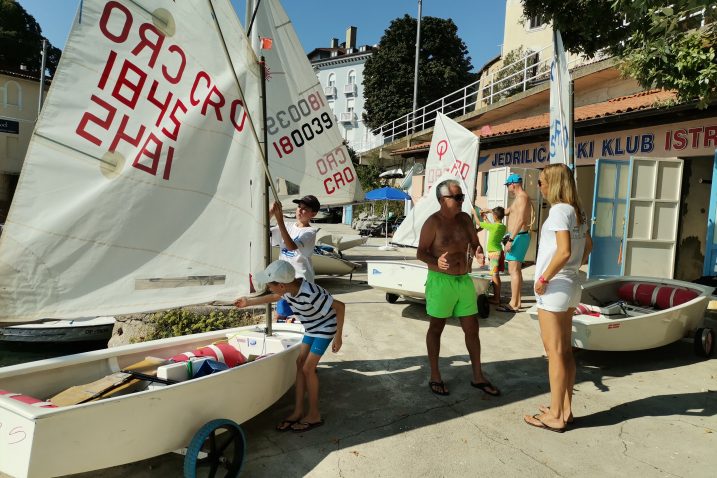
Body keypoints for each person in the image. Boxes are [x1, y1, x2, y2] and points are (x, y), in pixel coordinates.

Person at [234, 260, 345, 432]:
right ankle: (298, 411)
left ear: (281, 285)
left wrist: (338, 337)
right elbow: (274, 296)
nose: (269, 287)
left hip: (325, 327)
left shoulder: (310, 293)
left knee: (308, 369)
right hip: (311, 327)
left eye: (270, 285)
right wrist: (248, 302)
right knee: (300, 364)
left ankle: (314, 414)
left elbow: (340, 306)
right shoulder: (287, 290)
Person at [523, 164, 592, 433]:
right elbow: (588, 246)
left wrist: (543, 279)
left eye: (541, 182)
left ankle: (555, 415)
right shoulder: (578, 211)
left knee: (554, 353)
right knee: (564, 350)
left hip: (555, 288)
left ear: (553, 183)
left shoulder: (559, 211)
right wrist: (575, 266)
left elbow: (563, 251)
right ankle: (565, 409)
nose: (539, 187)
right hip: (571, 284)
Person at [417, 179, 499, 397]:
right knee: (436, 328)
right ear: (443, 200)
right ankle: (435, 375)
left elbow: (475, 243)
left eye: (462, 196)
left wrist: (479, 252)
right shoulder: (432, 223)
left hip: (463, 280)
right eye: (458, 197)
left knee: (472, 328)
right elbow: (421, 252)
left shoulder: (464, 219)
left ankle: (478, 376)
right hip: (441, 281)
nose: (463, 200)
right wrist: (436, 264)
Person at [270, 194, 320, 321]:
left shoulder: (310, 232)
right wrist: (271, 212)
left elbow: (291, 246)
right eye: (299, 207)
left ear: (313, 214)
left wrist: (280, 220)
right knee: (280, 315)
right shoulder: (287, 226)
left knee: (302, 318)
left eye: (305, 209)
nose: (300, 211)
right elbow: (262, 227)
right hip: (283, 280)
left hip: (301, 281)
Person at [499, 174, 532, 313]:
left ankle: (513, 304)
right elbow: (509, 212)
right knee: (516, 270)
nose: (507, 188)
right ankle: (516, 301)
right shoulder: (518, 198)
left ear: (513, 184)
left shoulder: (522, 197)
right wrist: (491, 211)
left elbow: (521, 220)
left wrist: (511, 240)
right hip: (518, 236)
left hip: (519, 237)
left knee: (513, 271)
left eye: (507, 185)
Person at [477, 207, 507, 305]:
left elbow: (478, 223)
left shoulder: (495, 227)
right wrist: (485, 218)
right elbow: (491, 227)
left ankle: (496, 298)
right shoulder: (501, 226)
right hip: (496, 252)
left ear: (494, 216)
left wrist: (474, 213)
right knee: (495, 274)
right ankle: (496, 297)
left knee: (495, 275)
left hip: (494, 254)